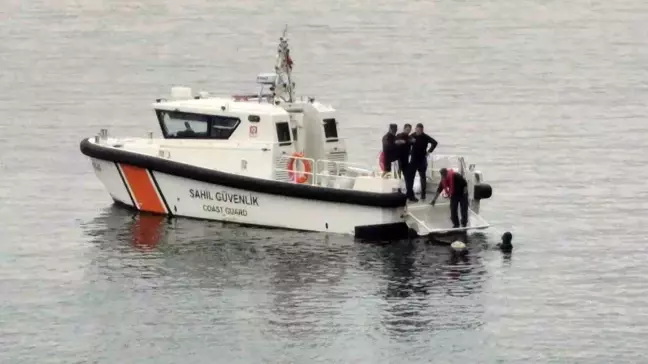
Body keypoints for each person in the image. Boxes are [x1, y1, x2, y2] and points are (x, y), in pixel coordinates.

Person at [405, 123, 438, 202]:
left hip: (422, 159)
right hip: (413, 159)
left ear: (422, 130)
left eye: (420, 130)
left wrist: (429, 151)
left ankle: (423, 194)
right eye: (417, 130)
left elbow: (434, 143)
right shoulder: (412, 136)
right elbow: (406, 143)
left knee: (422, 177)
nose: (418, 131)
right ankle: (410, 193)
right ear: (415, 129)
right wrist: (408, 152)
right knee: (411, 177)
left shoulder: (425, 137)